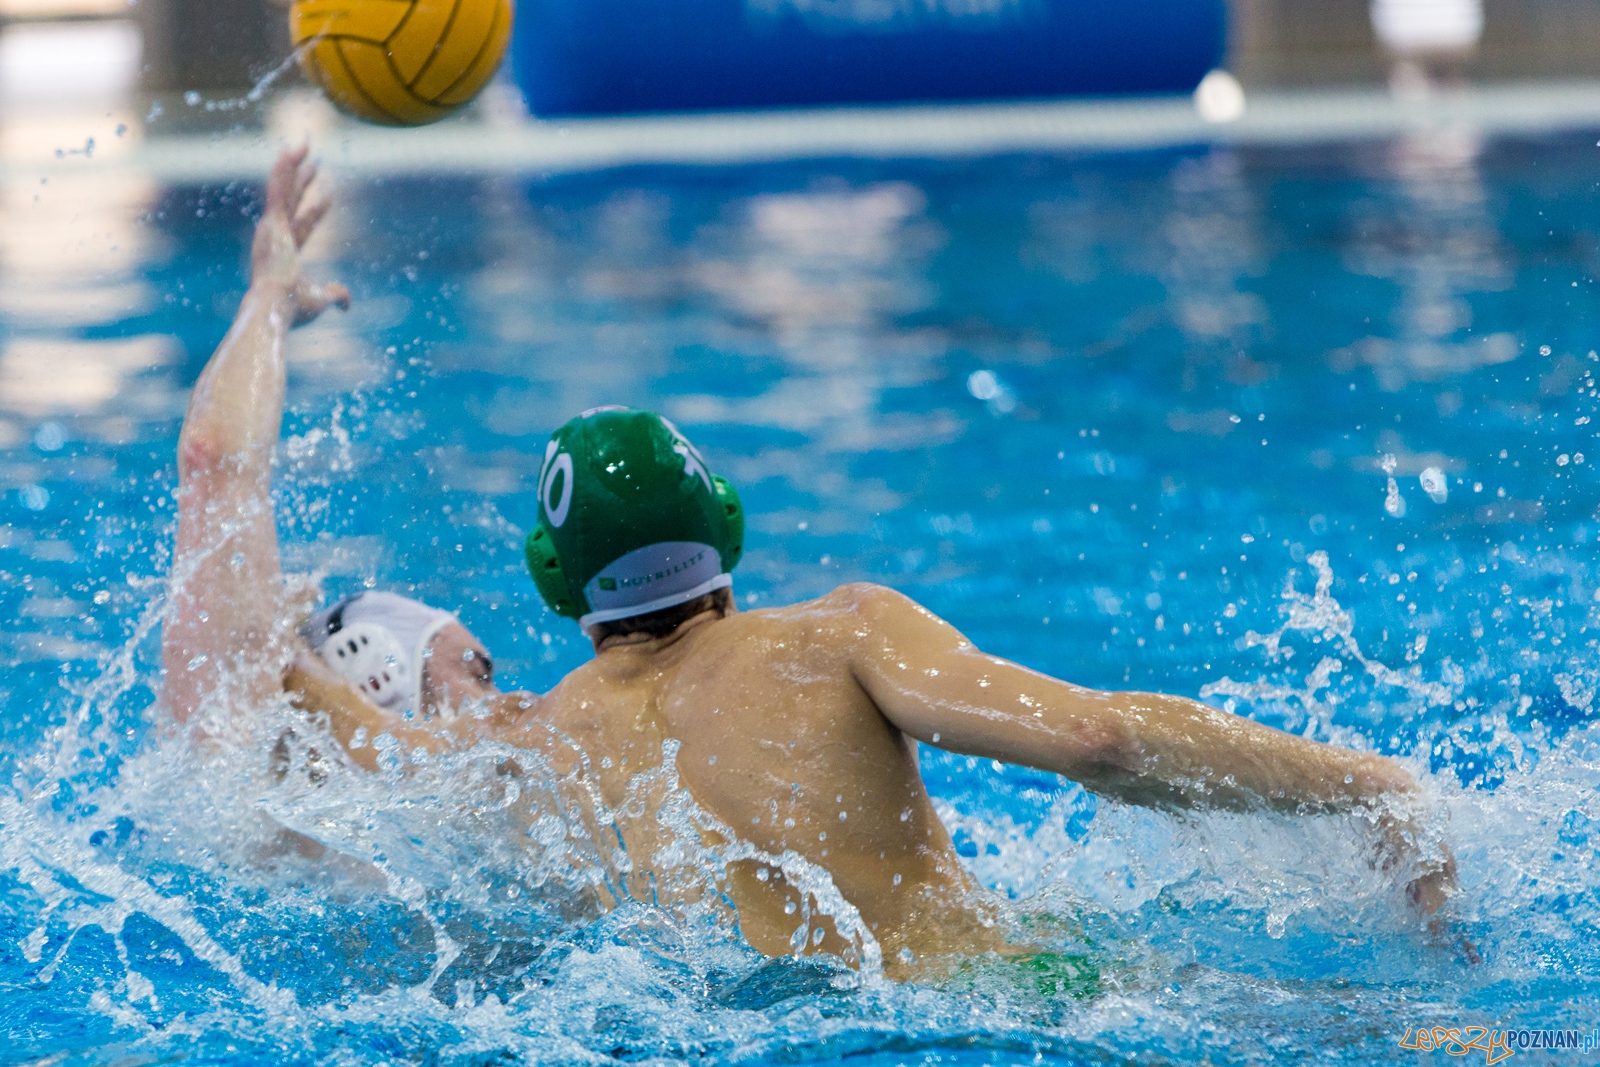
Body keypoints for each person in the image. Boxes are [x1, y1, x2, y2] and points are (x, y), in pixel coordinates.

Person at [171, 148, 1461, 981]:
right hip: (1006, 1008)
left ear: (561, 589)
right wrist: (1367, 791)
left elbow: (378, 746)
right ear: (725, 531)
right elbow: (1101, 744)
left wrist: (287, 667)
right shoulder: (836, 636)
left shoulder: (543, 744)